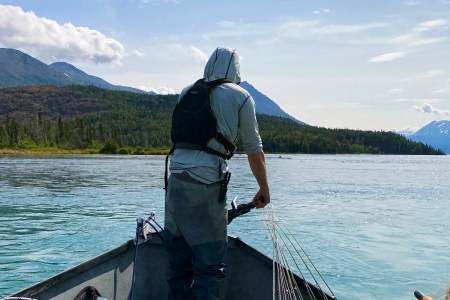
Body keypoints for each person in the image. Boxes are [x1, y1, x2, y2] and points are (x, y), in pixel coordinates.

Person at [164, 47, 270, 300]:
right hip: (207, 182)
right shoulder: (241, 96)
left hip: (175, 178)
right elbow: (254, 149)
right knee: (209, 266)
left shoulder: (187, 91)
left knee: (178, 263)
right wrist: (264, 189)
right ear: (236, 69)